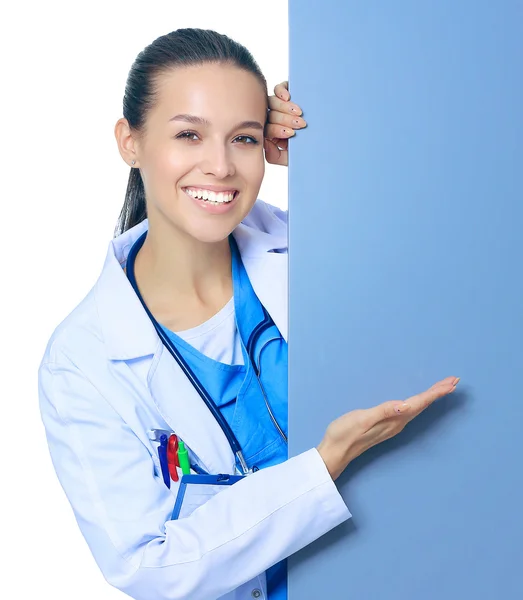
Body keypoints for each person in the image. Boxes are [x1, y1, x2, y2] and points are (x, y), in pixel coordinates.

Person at [38, 28, 459, 600]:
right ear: (129, 141)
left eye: (243, 138)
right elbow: (150, 568)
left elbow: (450, 251)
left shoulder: (316, 251)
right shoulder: (83, 362)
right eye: (189, 134)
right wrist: (325, 463)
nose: (220, 166)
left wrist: (330, 149)